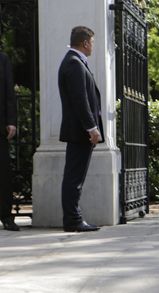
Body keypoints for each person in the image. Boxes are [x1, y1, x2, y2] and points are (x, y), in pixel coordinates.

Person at [59, 26, 104, 232]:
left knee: (74, 176)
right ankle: (73, 220)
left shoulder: (74, 62)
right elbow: (80, 101)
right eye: (92, 42)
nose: (93, 45)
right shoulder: (74, 63)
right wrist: (92, 128)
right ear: (85, 43)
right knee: (74, 178)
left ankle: (72, 218)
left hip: (79, 131)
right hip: (80, 132)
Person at [0, 52, 19, 231]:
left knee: (3, 174)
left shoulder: (2, 58)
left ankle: (6, 216)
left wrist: (11, 121)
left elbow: (8, 92)